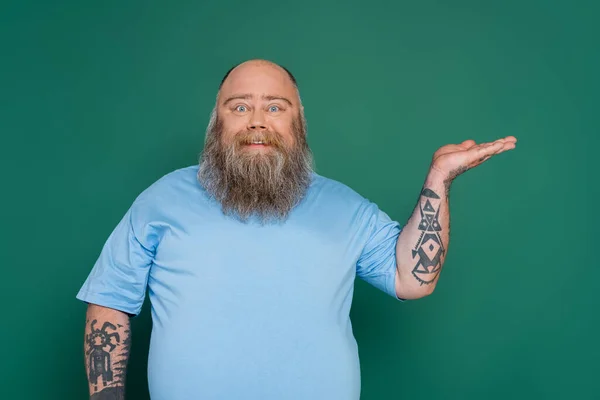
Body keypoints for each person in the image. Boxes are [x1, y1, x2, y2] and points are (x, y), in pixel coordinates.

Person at [76, 59, 517, 400]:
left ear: (297, 121)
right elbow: (110, 301)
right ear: (218, 121)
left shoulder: (345, 206)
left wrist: (438, 178)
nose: (257, 120)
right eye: (240, 106)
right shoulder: (162, 199)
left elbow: (412, 279)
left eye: (275, 106)